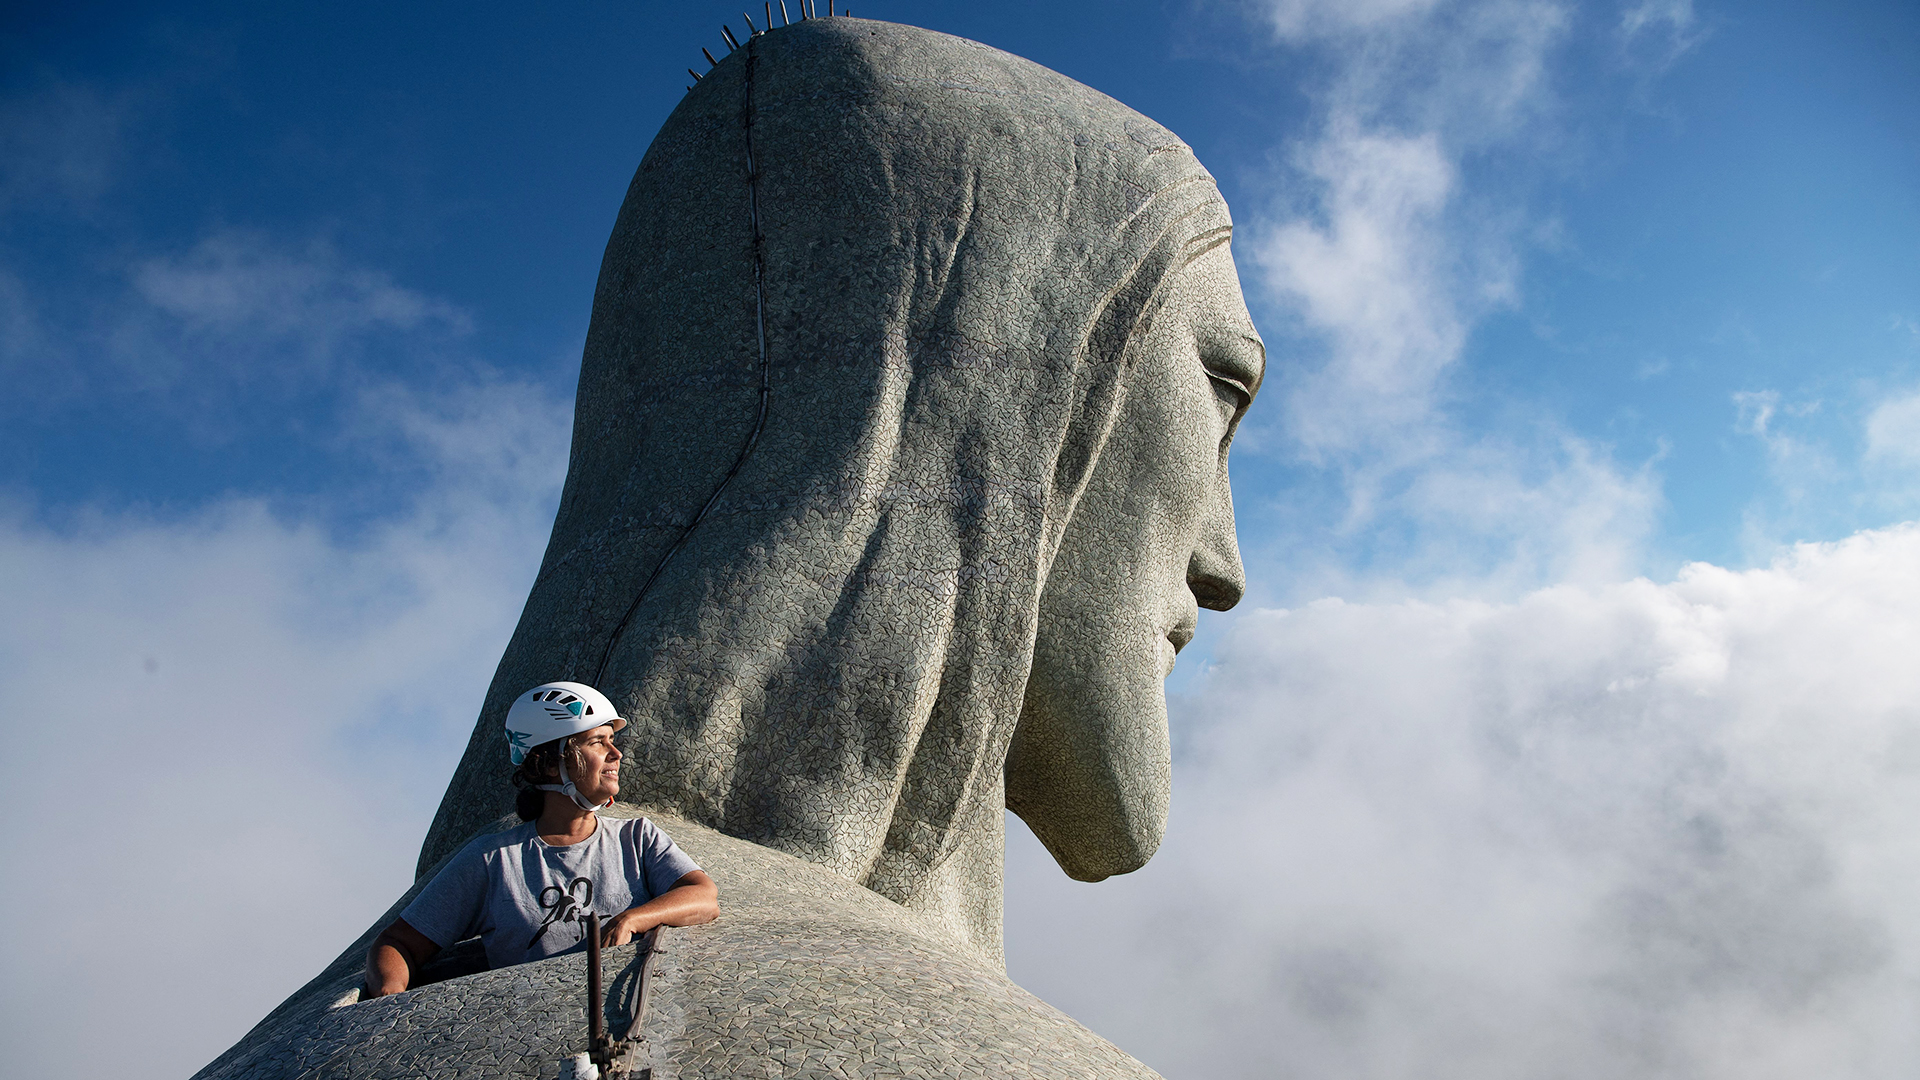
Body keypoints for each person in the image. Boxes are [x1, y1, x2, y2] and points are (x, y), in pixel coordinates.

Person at [364, 681, 718, 998]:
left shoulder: (637, 837)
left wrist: (631, 920)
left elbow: (703, 896)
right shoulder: (492, 861)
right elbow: (398, 943)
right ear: (551, 763)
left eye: (613, 741)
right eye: (598, 742)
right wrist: (389, 1000)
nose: (617, 754)